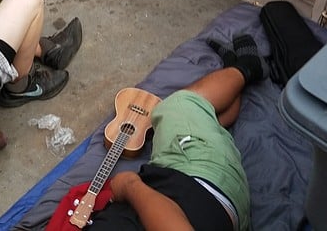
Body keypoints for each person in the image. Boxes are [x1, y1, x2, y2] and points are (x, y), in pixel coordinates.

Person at [84, 35, 266, 231]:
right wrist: (130, 186)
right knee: (175, 106)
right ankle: (246, 68)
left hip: (190, 195)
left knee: (197, 122)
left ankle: (212, 113)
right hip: (208, 187)